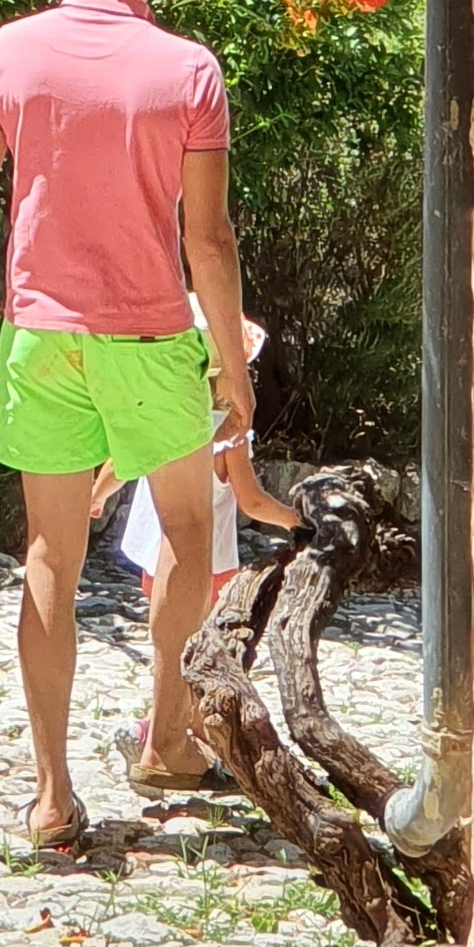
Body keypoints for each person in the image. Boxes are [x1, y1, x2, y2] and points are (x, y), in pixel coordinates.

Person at [0, 0, 254, 849]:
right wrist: (231, 364)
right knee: (192, 537)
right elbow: (210, 240)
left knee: (48, 557)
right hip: (151, 334)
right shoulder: (189, 69)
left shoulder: (8, 55)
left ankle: (52, 794)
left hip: (41, 335)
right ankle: (167, 737)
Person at [92, 308, 301, 797]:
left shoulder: (158, 416)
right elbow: (250, 500)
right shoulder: (227, 432)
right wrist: (295, 520)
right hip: (205, 562)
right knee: (207, 656)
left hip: (152, 555)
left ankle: (164, 732)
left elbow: (120, 462)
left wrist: (97, 496)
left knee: (170, 650)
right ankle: (181, 738)